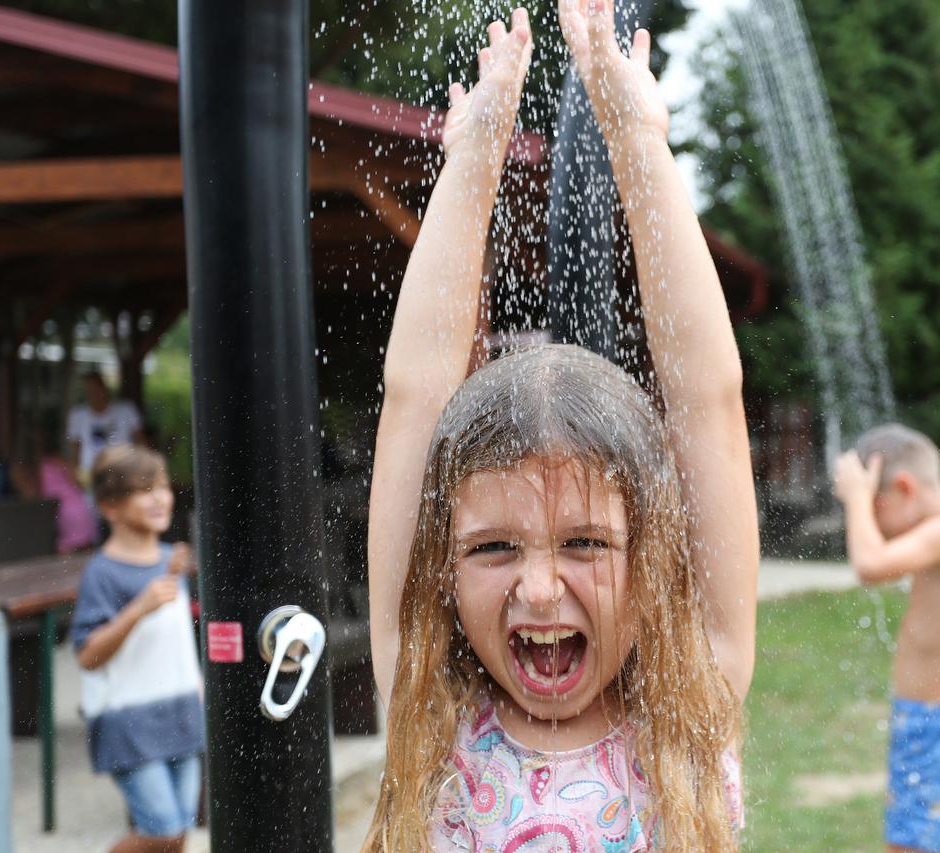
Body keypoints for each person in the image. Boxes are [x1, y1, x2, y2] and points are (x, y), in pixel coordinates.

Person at [362, 4, 759, 850]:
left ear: (650, 549)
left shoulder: (690, 708)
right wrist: (471, 157)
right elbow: (414, 400)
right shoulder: (430, 712)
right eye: (493, 547)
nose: (538, 588)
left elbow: (708, 403)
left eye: (585, 543)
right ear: (443, 557)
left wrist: (637, 138)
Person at [833, 425, 940, 853]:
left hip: (939, 727)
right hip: (932, 722)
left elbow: (869, 565)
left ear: (904, 488)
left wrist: (854, 497)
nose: (875, 524)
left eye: (877, 507)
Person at [69, 446, 203, 853]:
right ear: (109, 506)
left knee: (179, 831)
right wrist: (138, 609)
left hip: (181, 712)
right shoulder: (102, 572)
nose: (160, 497)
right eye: (144, 489)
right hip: (128, 723)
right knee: (160, 830)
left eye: (162, 486)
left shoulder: (171, 559)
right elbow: (87, 655)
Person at [9, 427, 96, 553]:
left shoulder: (23, 470)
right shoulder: (57, 461)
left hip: (60, 518)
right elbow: (78, 484)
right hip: (81, 511)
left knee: (63, 565)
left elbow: (30, 500)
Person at [67, 371, 144, 484]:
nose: (93, 394)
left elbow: (140, 441)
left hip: (122, 471)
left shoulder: (126, 410)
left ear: (104, 388)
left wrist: (140, 469)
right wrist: (74, 473)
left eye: (96, 389)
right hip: (92, 474)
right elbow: (76, 448)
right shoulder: (78, 415)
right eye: (89, 390)